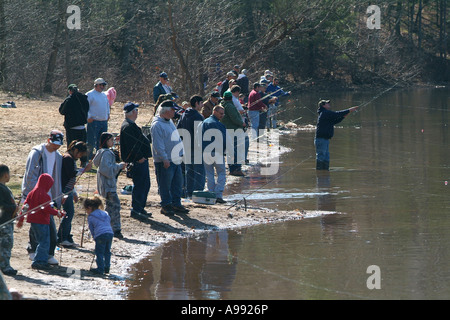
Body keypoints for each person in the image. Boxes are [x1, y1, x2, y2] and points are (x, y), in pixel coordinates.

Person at [21, 130, 64, 265]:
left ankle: (48, 253)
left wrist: (58, 197)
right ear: (48, 140)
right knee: (37, 224)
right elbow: (30, 175)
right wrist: (29, 195)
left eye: (58, 145)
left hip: (49, 196)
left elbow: (57, 177)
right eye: (54, 144)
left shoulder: (58, 156)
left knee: (48, 226)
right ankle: (33, 251)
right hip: (36, 196)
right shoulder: (36, 153)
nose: (56, 147)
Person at [18, 174, 65, 270]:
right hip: (42, 222)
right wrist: (58, 213)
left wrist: (21, 219)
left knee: (38, 241)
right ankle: (39, 261)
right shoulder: (45, 196)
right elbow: (47, 209)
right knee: (44, 242)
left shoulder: (31, 193)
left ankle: (37, 258)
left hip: (33, 222)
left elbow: (25, 206)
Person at [150, 100, 189, 216]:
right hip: (165, 161)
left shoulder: (170, 121)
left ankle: (176, 204)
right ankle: (166, 205)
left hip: (176, 158)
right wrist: (164, 158)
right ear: (166, 111)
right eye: (173, 110)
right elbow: (158, 145)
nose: (174, 112)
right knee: (165, 184)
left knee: (177, 183)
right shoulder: (157, 125)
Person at [120, 102, 152, 220]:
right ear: (132, 112)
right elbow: (130, 145)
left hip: (140, 160)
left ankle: (140, 208)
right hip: (137, 161)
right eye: (136, 110)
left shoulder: (131, 125)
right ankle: (136, 209)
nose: (137, 112)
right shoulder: (128, 126)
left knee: (145, 184)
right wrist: (139, 158)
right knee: (140, 185)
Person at [58, 141, 92, 247]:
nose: (80, 156)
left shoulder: (70, 158)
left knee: (69, 212)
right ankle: (62, 237)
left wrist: (74, 192)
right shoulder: (67, 158)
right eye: (80, 154)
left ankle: (66, 236)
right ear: (76, 150)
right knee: (69, 212)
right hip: (64, 191)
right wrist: (84, 170)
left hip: (68, 190)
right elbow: (71, 174)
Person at [93, 133, 126, 238]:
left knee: (108, 207)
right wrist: (119, 166)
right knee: (115, 207)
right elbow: (105, 169)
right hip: (108, 186)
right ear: (107, 141)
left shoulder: (100, 152)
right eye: (111, 140)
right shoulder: (107, 153)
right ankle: (115, 229)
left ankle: (104, 227)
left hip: (103, 186)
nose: (113, 142)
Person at [315, 99, 359, 170]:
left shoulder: (325, 113)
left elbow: (334, 121)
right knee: (321, 157)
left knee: (326, 158)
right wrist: (349, 110)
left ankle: (324, 173)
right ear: (323, 105)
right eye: (327, 103)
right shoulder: (325, 113)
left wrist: (343, 117)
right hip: (321, 139)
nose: (329, 104)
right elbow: (336, 114)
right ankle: (320, 172)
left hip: (325, 139)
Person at [177, 95, 205, 198]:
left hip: (186, 148)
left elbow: (178, 129)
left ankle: (189, 193)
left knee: (189, 171)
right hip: (196, 149)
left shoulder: (184, 114)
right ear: (197, 103)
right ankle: (198, 194)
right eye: (201, 103)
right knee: (199, 172)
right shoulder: (197, 116)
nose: (202, 105)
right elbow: (200, 134)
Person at [201, 106, 227, 203]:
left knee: (209, 174)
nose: (222, 115)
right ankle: (218, 194)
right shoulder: (218, 124)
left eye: (223, 114)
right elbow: (224, 139)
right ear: (214, 112)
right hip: (217, 152)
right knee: (221, 173)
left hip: (206, 152)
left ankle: (211, 194)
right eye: (221, 113)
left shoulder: (204, 122)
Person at [58, 84, 89, 166]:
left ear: (70, 91)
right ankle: (83, 162)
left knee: (72, 146)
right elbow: (87, 109)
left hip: (71, 127)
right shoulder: (84, 99)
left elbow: (61, 111)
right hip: (82, 127)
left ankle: (71, 161)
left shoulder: (69, 100)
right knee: (83, 146)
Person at [84, 196, 114, 275]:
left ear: (89, 207)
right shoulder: (105, 213)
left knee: (99, 252)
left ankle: (100, 268)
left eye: (86, 209)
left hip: (100, 235)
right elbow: (108, 222)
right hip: (110, 233)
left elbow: (91, 228)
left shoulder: (91, 216)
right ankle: (107, 267)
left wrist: (94, 236)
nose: (86, 212)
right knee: (107, 251)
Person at [220, 91, 246, 176]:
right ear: (231, 98)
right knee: (237, 150)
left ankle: (232, 169)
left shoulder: (222, 105)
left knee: (231, 150)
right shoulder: (229, 106)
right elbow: (234, 118)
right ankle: (236, 169)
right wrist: (242, 123)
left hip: (228, 130)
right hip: (234, 130)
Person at [0, 165, 19, 276]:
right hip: (4, 222)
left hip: (7, 220)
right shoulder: (2, 190)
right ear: (6, 175)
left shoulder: (5, 188)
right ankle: (5, 267)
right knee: (6, 244)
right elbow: (2, 205)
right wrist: (13, 208)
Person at [86, 78, 110, 159]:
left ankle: (100, 158)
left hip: (103, 122)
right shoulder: (90, 94)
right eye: (101, 85)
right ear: (96, 85)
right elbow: (85, 107)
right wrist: (88, 117)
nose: (103, 87)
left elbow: (107, 106)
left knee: (102, 142)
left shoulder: (104, 95)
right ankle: (87, 159)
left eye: (103, 85)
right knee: (91, 142)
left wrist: (108, 114)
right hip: (94, 122)